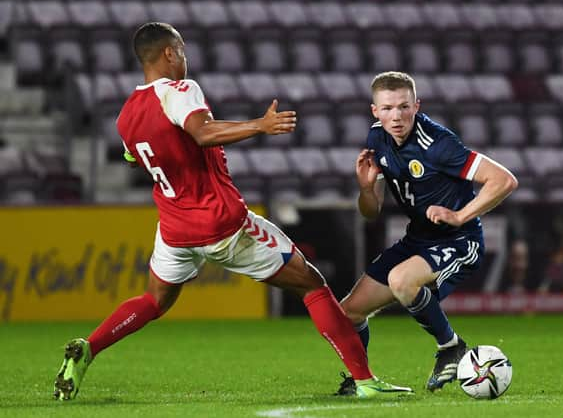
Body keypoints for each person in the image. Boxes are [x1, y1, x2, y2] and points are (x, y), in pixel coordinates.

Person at [53, 23, 412, 401]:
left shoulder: (126, 115)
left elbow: (134, 158)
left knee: (154, 300)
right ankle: (364, 380)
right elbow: (203, 133)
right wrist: (260, 125)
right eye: (183, 52)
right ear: (170, 54)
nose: (186, 61)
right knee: (311, 283)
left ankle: (89, 347)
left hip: (175, 228)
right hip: (220, 222)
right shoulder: (179, 91)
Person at [336, 71, 518, 395]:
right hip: (417, 240)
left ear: (416, 106)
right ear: (374, 111)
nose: (397, 116)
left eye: (404, 107)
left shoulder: (438, 144)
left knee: (401, 280)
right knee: (348, 312)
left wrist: (460, 215)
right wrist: (365, 189)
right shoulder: (376, 139)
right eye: (388, 108)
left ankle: (451, 347)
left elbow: (504, 180)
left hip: (458, 240)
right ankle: (361, 381)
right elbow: (370, 211)